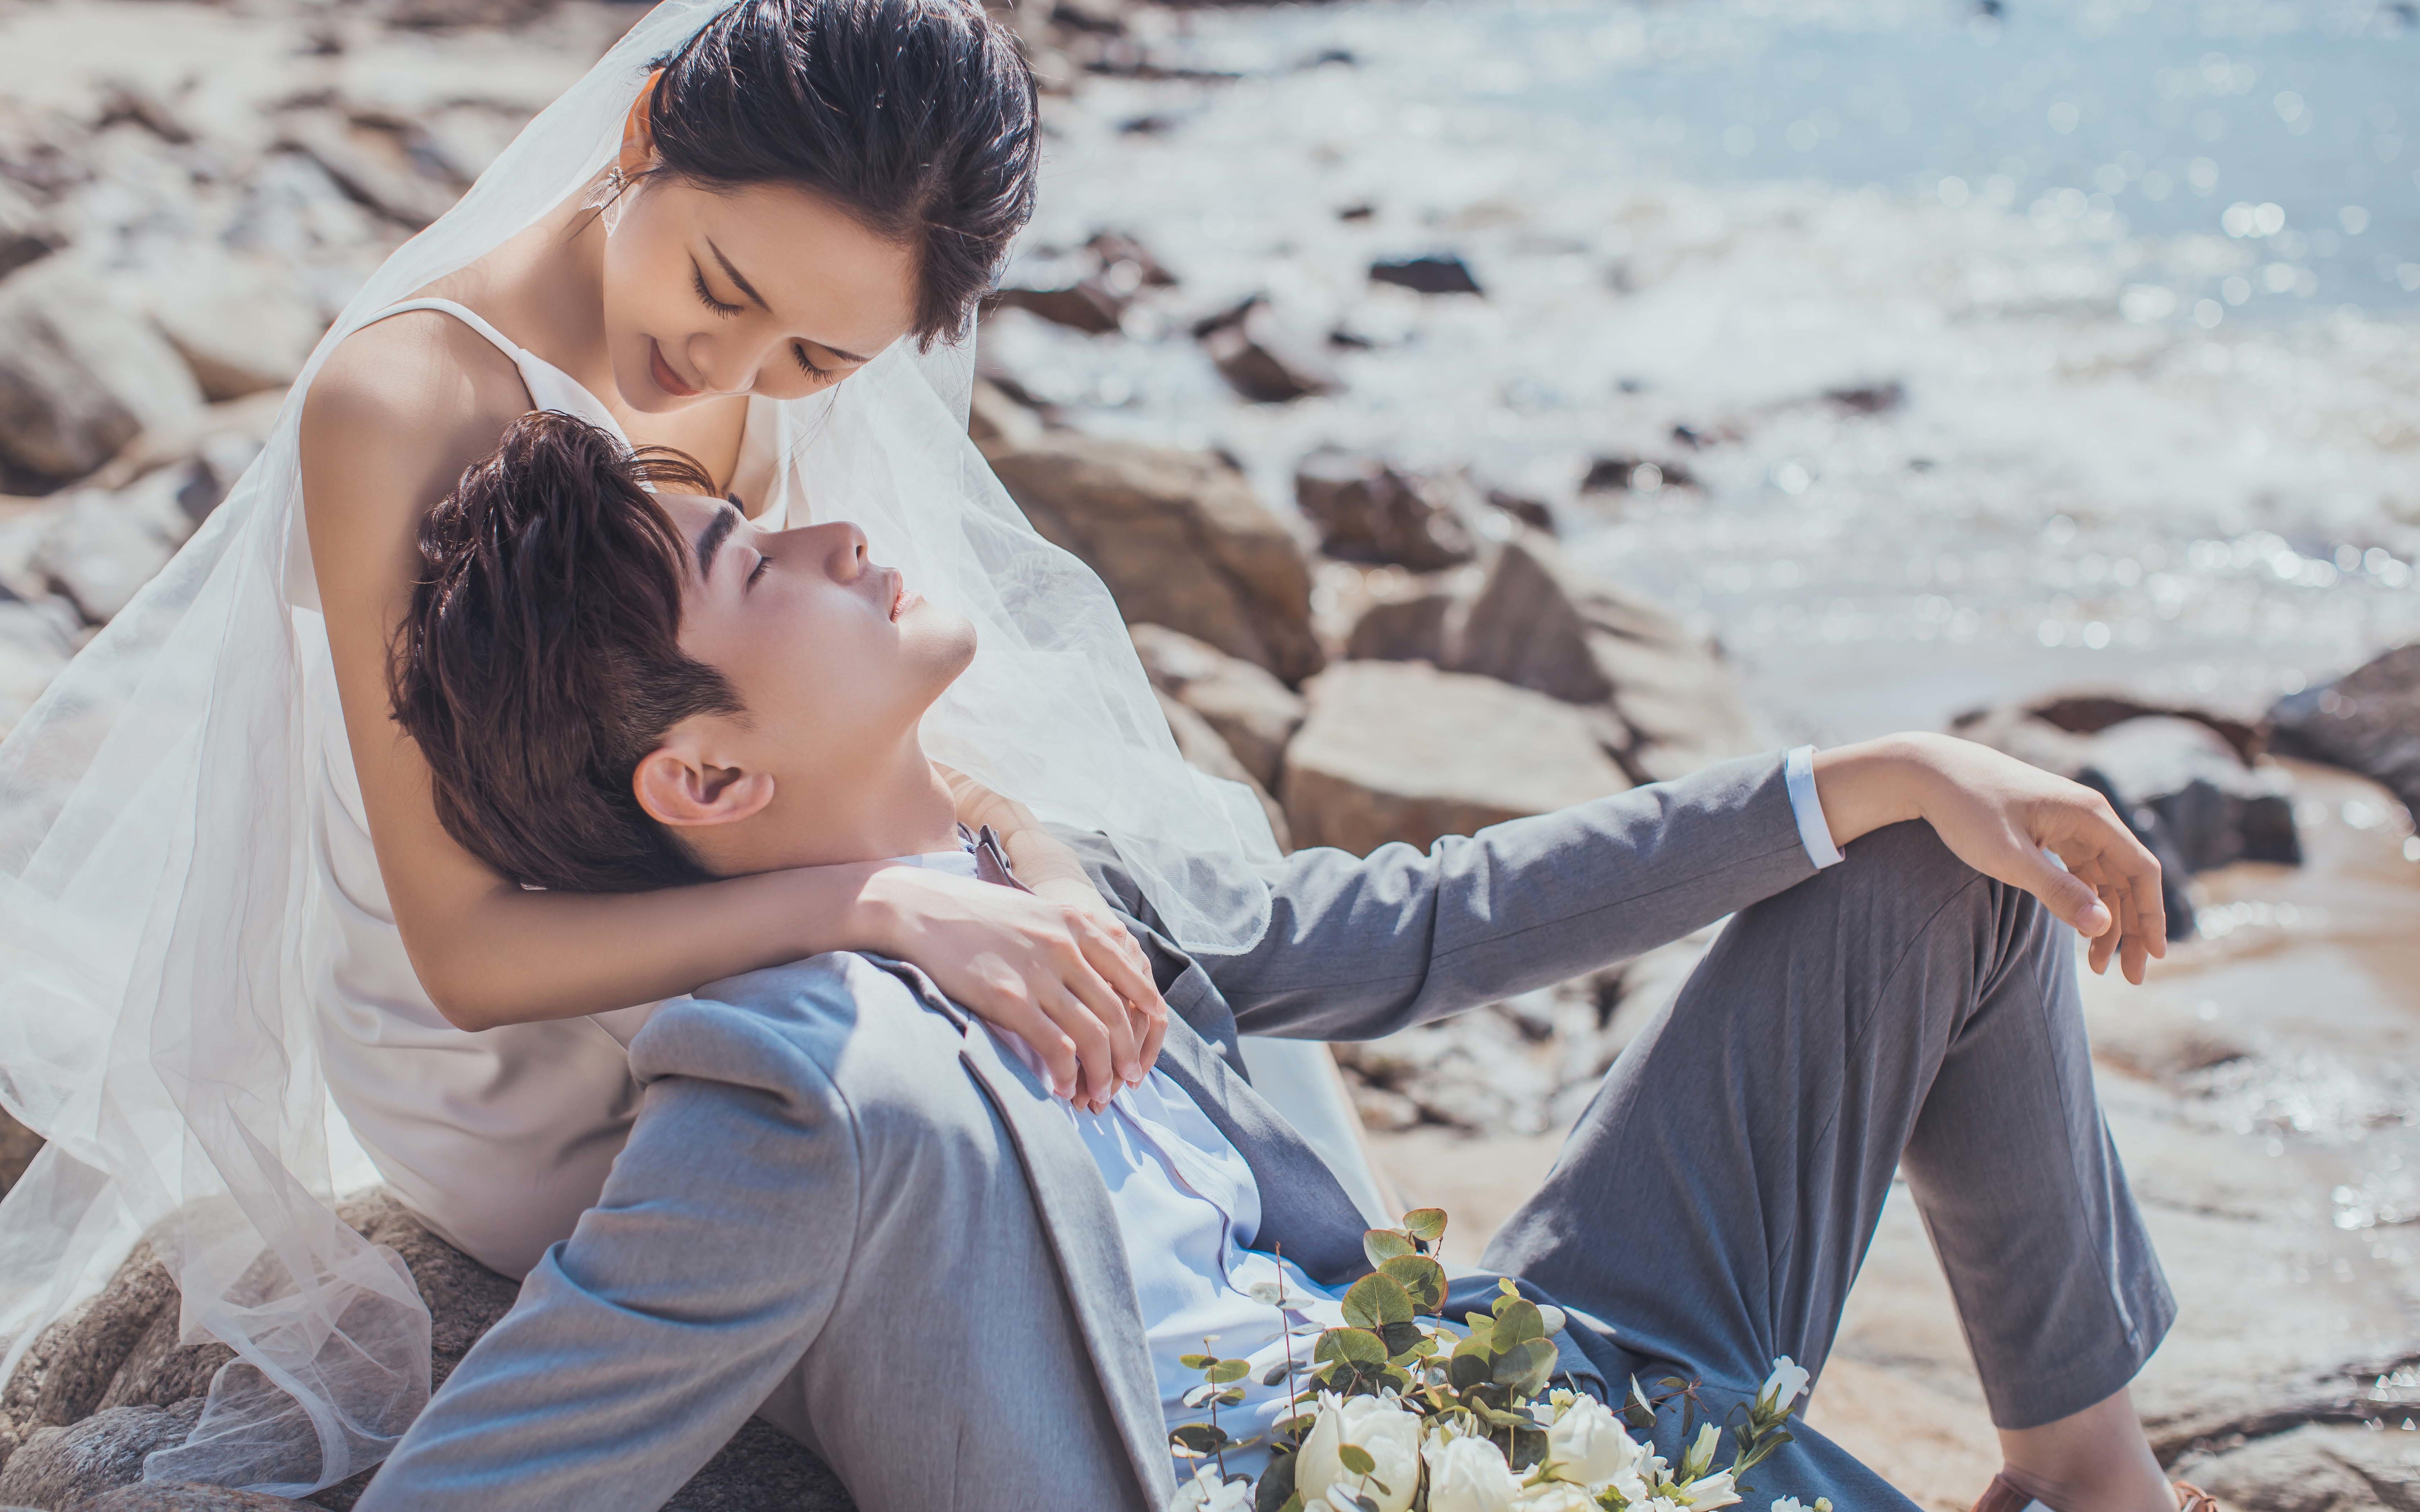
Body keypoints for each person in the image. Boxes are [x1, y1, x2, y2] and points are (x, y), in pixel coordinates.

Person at [352, 411, 2188, 1512]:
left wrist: (1881, 769)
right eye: (760, 565)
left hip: (1537, 1372)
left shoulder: (1028, 856)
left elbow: (1433, 925)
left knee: (1940, 868)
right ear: (708, 775)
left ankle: (2100, 1474)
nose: (837, 529)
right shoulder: (804, 1093)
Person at [0, 0, 1281, 1495]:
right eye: (719, 286)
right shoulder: (403, 404)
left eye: (815, 351)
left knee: (1104, 952)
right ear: (637, 131)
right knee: (915, 1105)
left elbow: (850, 742)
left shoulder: (760, 358)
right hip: (509, 1037)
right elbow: (462, 953)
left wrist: (1039, 874)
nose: (725, 362)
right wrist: (879, 905)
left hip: (730, 875)